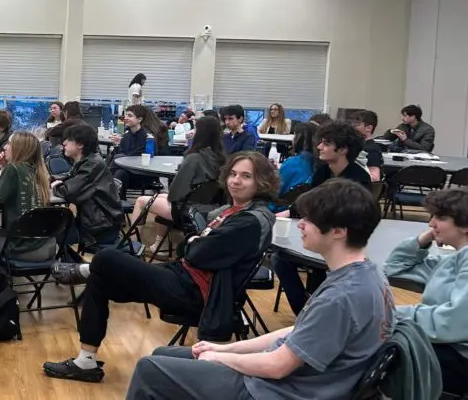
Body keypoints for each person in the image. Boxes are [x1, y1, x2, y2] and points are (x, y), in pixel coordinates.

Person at [125, 179, 393, 400]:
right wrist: (230, 349)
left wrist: (220, 357)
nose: (300, 224)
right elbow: (299, 331)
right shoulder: (368, 275)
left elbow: (278, 367)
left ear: (338, 231)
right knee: (165, 355)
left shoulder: (342, 296)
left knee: (150, 369)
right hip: (296, 380)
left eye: (309, 219)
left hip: (279, 391)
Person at [44, 152, 278, 383]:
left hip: (195, 292)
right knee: (100, 282)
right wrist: (193, 242)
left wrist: (194, 243)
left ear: (261, 182)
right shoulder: (233, 212)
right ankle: (86, 362)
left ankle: (84, 270)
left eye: (246, 176)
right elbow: (190, 247)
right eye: (234, 174)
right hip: (183, 276)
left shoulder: (250, 221)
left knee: (107, 257)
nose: (236, 180)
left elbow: (197, 253)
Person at [273, 121, 373, 315]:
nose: (319, 147)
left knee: (316, 264)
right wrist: (288, 212)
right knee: (280, 258)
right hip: (321, 236)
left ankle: (312, 313)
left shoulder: (358, 180)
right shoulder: (323, 171)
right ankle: (305, 312)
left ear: (343, 149)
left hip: (342, 242)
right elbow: (311, 204)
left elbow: (350, 219)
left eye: (326, 143)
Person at [384, 188, 468, 396]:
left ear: (465, 225)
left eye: (440, 218)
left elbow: (452, 322)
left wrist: (393, 314)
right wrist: (425, 238)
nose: (431, 223)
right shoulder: (452, 260)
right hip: (447, 346)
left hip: (460, 358)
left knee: (377, 349)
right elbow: (394, 268)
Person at [137, 116, 227, 254]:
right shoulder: (222, 158)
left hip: (188, 209)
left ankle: (133, 245)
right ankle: (161, 247)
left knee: (141, 201)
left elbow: (175, 194)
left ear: (201, 133)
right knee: (159, 196)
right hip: (209, 206)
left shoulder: (193, 159)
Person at [0, 131, 55, 261]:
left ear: (19, 149)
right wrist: (4, 166)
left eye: (9, 144)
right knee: (0, 233)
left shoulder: (14, 168)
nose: (4, 147)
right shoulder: (39, 170)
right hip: (45, 245)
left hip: (21, 247)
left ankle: (1, 276)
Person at [53, 123, 123, 247]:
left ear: (80, 144)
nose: (64, 143)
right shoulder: (86, 160)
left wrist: (55, 186)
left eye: (69, 140)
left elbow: (70, 192)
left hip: (99, 228)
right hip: (95, 222)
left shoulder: (92, 164)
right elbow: (72, 178)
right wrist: (53, 179)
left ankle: (69, 264)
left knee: (51, 232)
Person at [277, 122, 318, 197]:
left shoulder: (292, 163)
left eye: (294, 135)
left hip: (283, 205)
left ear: (298, 138)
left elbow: (277, 190)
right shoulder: (321, 164)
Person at [352, 110, 384, 182]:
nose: (352, 127)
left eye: (357, 124)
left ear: (369, 128)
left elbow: (375, 178)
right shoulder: (358, 146)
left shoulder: (371, 150)